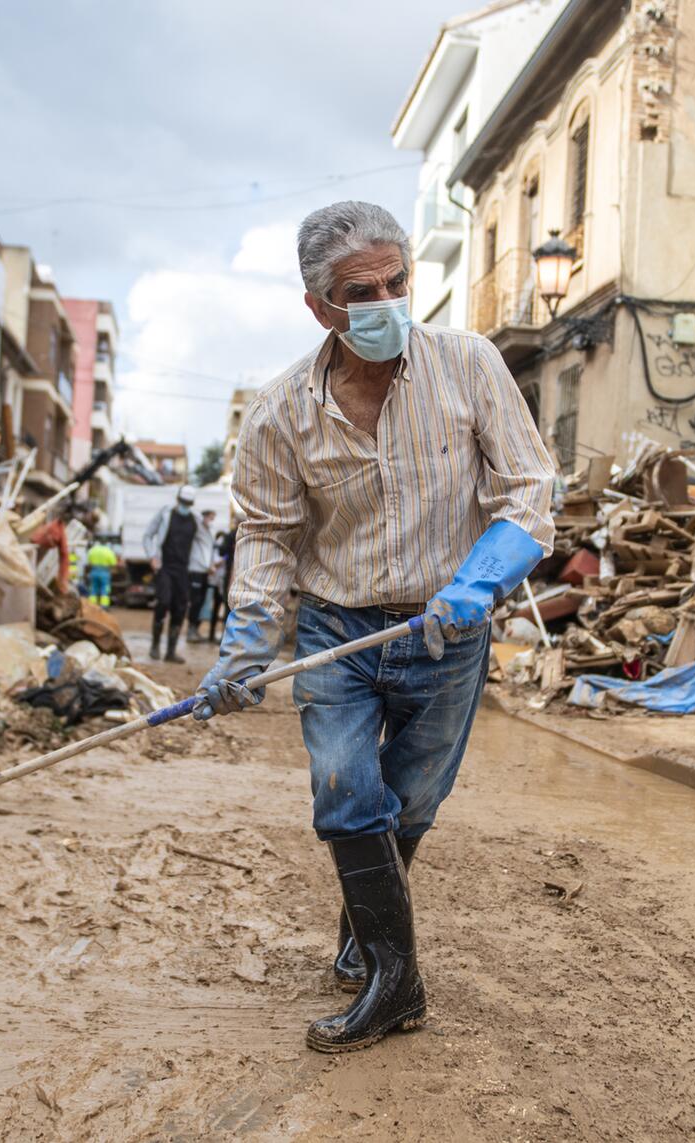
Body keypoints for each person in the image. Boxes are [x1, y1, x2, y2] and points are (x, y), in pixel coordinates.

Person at [192, 201, 555, 1052]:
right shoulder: (281, 412)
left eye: (398, 281)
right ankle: (399, 983)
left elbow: (529, 492)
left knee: (412, 802)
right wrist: (245, 647)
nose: (388, 301)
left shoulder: (469, 366)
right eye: (364, 290)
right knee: (348, 791)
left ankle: (367, 937)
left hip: (446, 631)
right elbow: (271, 535)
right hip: (336, 630)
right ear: (320, 306)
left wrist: (482, 576)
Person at [142, 485, 213, 663]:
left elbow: (206, 542)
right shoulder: (165, 513)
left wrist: (206, 564)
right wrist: (152, 556)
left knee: (180, 608)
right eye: (183, 502)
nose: (185, 505)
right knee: (163, 602)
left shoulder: (195, 520)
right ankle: (155, 646)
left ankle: (171, 652)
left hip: (184, 570)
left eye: (188, 503)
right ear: (177, 500)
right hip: (165, 567)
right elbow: (148, 535)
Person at [186, 509, 220, 643]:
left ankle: (195, 628)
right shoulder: (198, 531)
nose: (211, 521)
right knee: (195, 602)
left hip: (205, 572)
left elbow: (208, 551)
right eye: (210, 517)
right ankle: (190, 630)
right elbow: (199, 553)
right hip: (196, 570)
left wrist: (211, 565)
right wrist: (208, 566)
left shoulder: (209, 533)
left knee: (200, 602)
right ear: (204, 517)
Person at [84, 537, 118, 608]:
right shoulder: (108, 551)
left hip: (94, 571)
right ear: (106, 543)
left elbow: (88, 561)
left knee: (93, 588)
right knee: (104, 589)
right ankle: (104, 606)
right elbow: (113, 563)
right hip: (104, 572)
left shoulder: (93, 550)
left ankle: (92, 606)